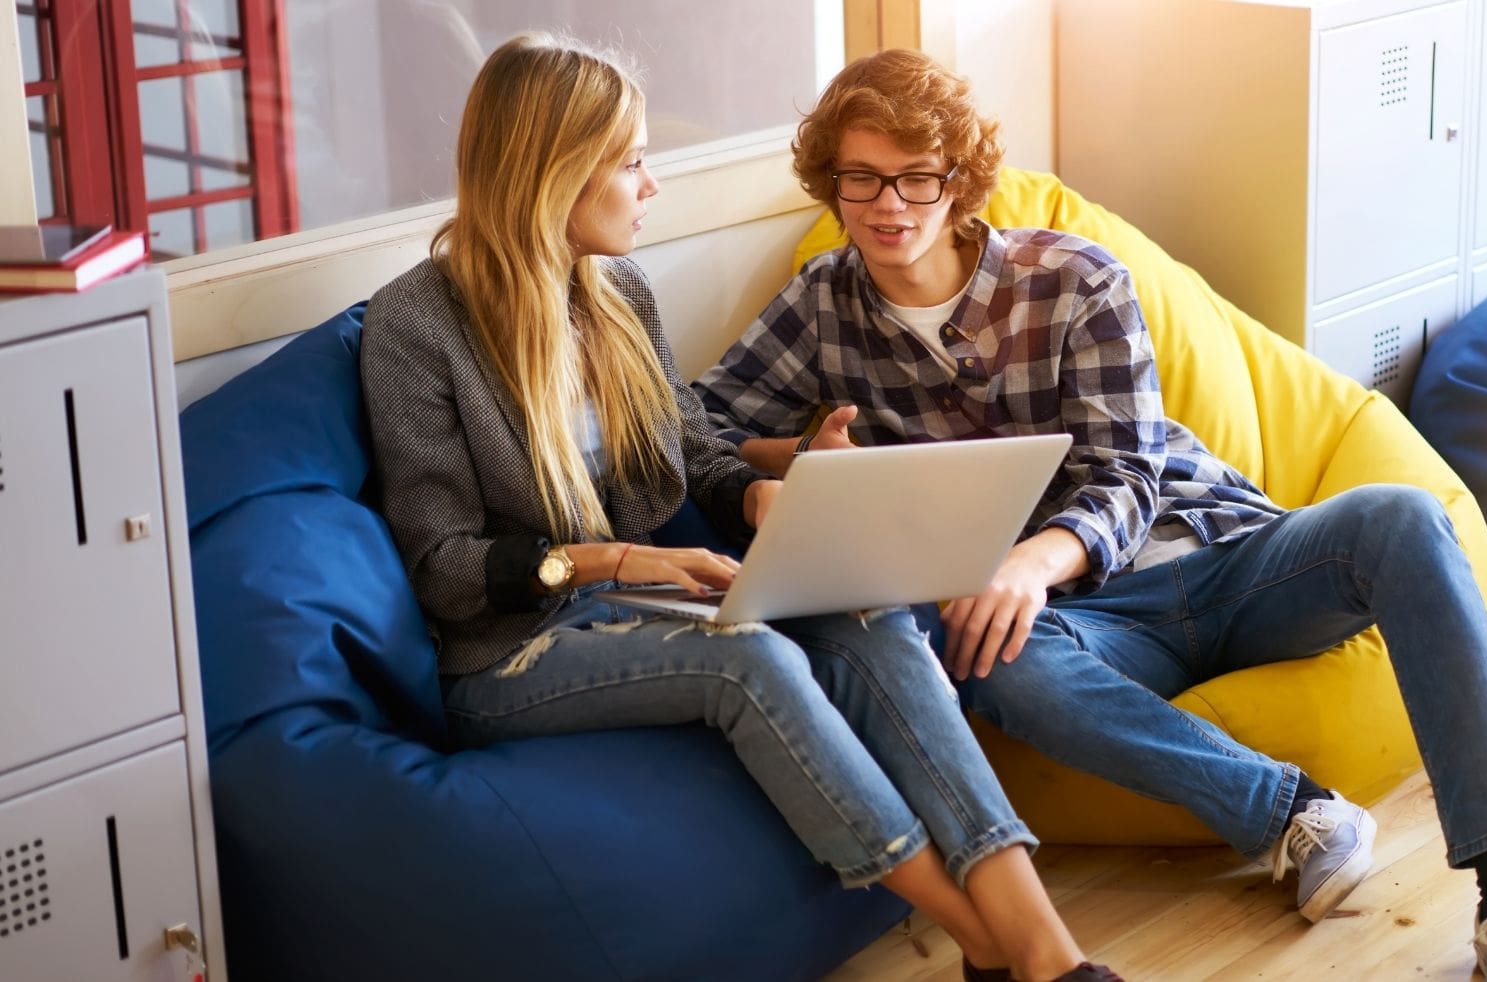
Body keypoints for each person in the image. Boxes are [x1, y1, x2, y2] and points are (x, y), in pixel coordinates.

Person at [695, 48, 1487, 981]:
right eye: (861, 178)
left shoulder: (1074, 277)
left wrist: (1030, 563)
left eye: (917, 176)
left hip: (1225, 556)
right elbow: (688, 420)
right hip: (1086, 628)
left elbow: (1126, 471)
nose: (887, 205)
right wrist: (790, 463)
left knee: (1404, 515)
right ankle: (1291, 813)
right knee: (988, 654)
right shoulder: (821, 304)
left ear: (960, 182)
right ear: (830, 181)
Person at [358, 34, 1119, 982]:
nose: (651, 187)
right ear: (556, 171)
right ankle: (988, 941)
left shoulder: (617, 294)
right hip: (512, 650)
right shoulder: (414, 330)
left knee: (871, 613)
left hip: (637, 606)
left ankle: (1040, 946)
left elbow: (697, 449)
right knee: (745, 656)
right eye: (631, 162)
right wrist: (611, 561)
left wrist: (773, 493)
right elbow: (443, 566)